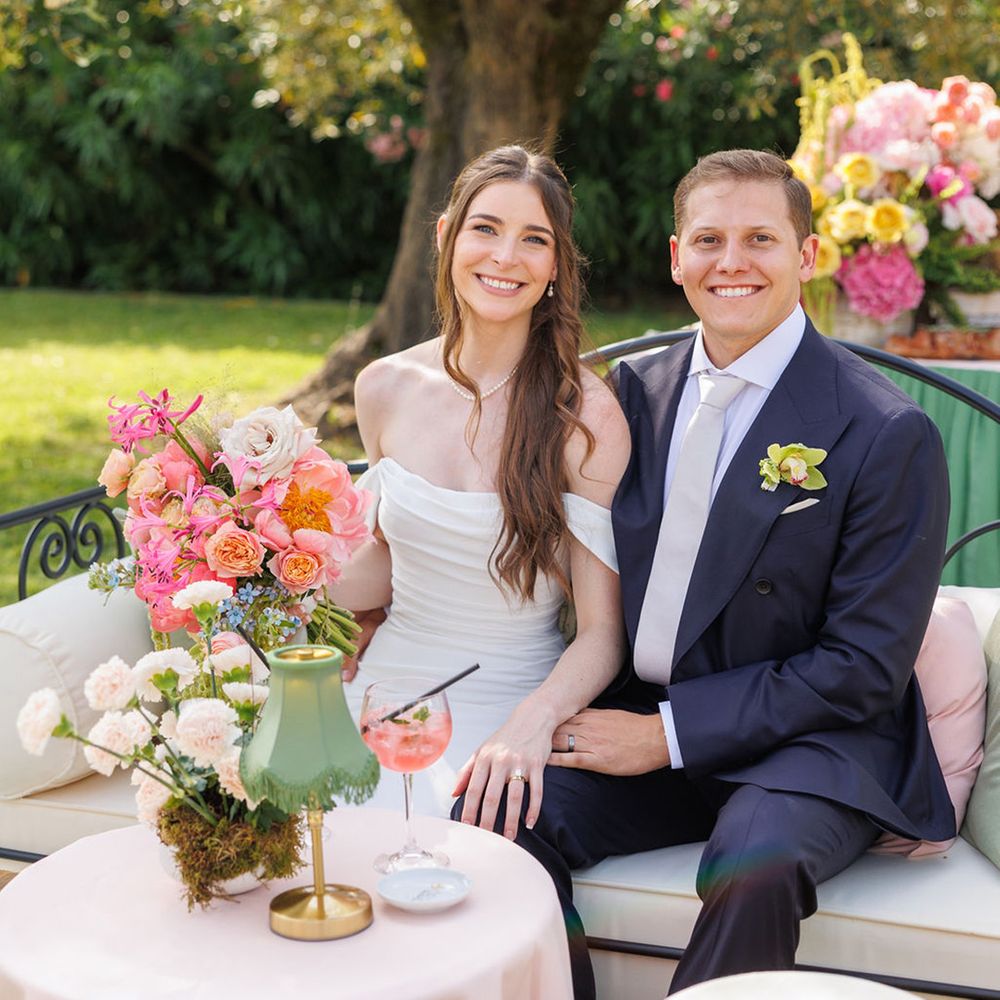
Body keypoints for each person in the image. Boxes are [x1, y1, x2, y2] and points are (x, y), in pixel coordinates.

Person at [457, 149, 956, 998]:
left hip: (810, 745)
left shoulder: (884, 431)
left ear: (806, 257)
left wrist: (667, 735)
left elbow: (863, 669)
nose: (732, 262)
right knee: (498, 817)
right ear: (676, 256)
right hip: (643, 721)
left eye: (761, 238)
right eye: (709, 239)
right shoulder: (628, 395)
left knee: (752, 866)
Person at [329, 145, 631, 827]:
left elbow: (602, 633)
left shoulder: (584, 415)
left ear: (555, 266)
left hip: (506, 703)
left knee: (432, 843)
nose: (505, 257)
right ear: (446, 237)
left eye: (534, 240)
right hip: (381, 686)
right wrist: (283, 570)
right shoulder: (384, 387)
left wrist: (533, 721)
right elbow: (384, 563)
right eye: (486, 229)